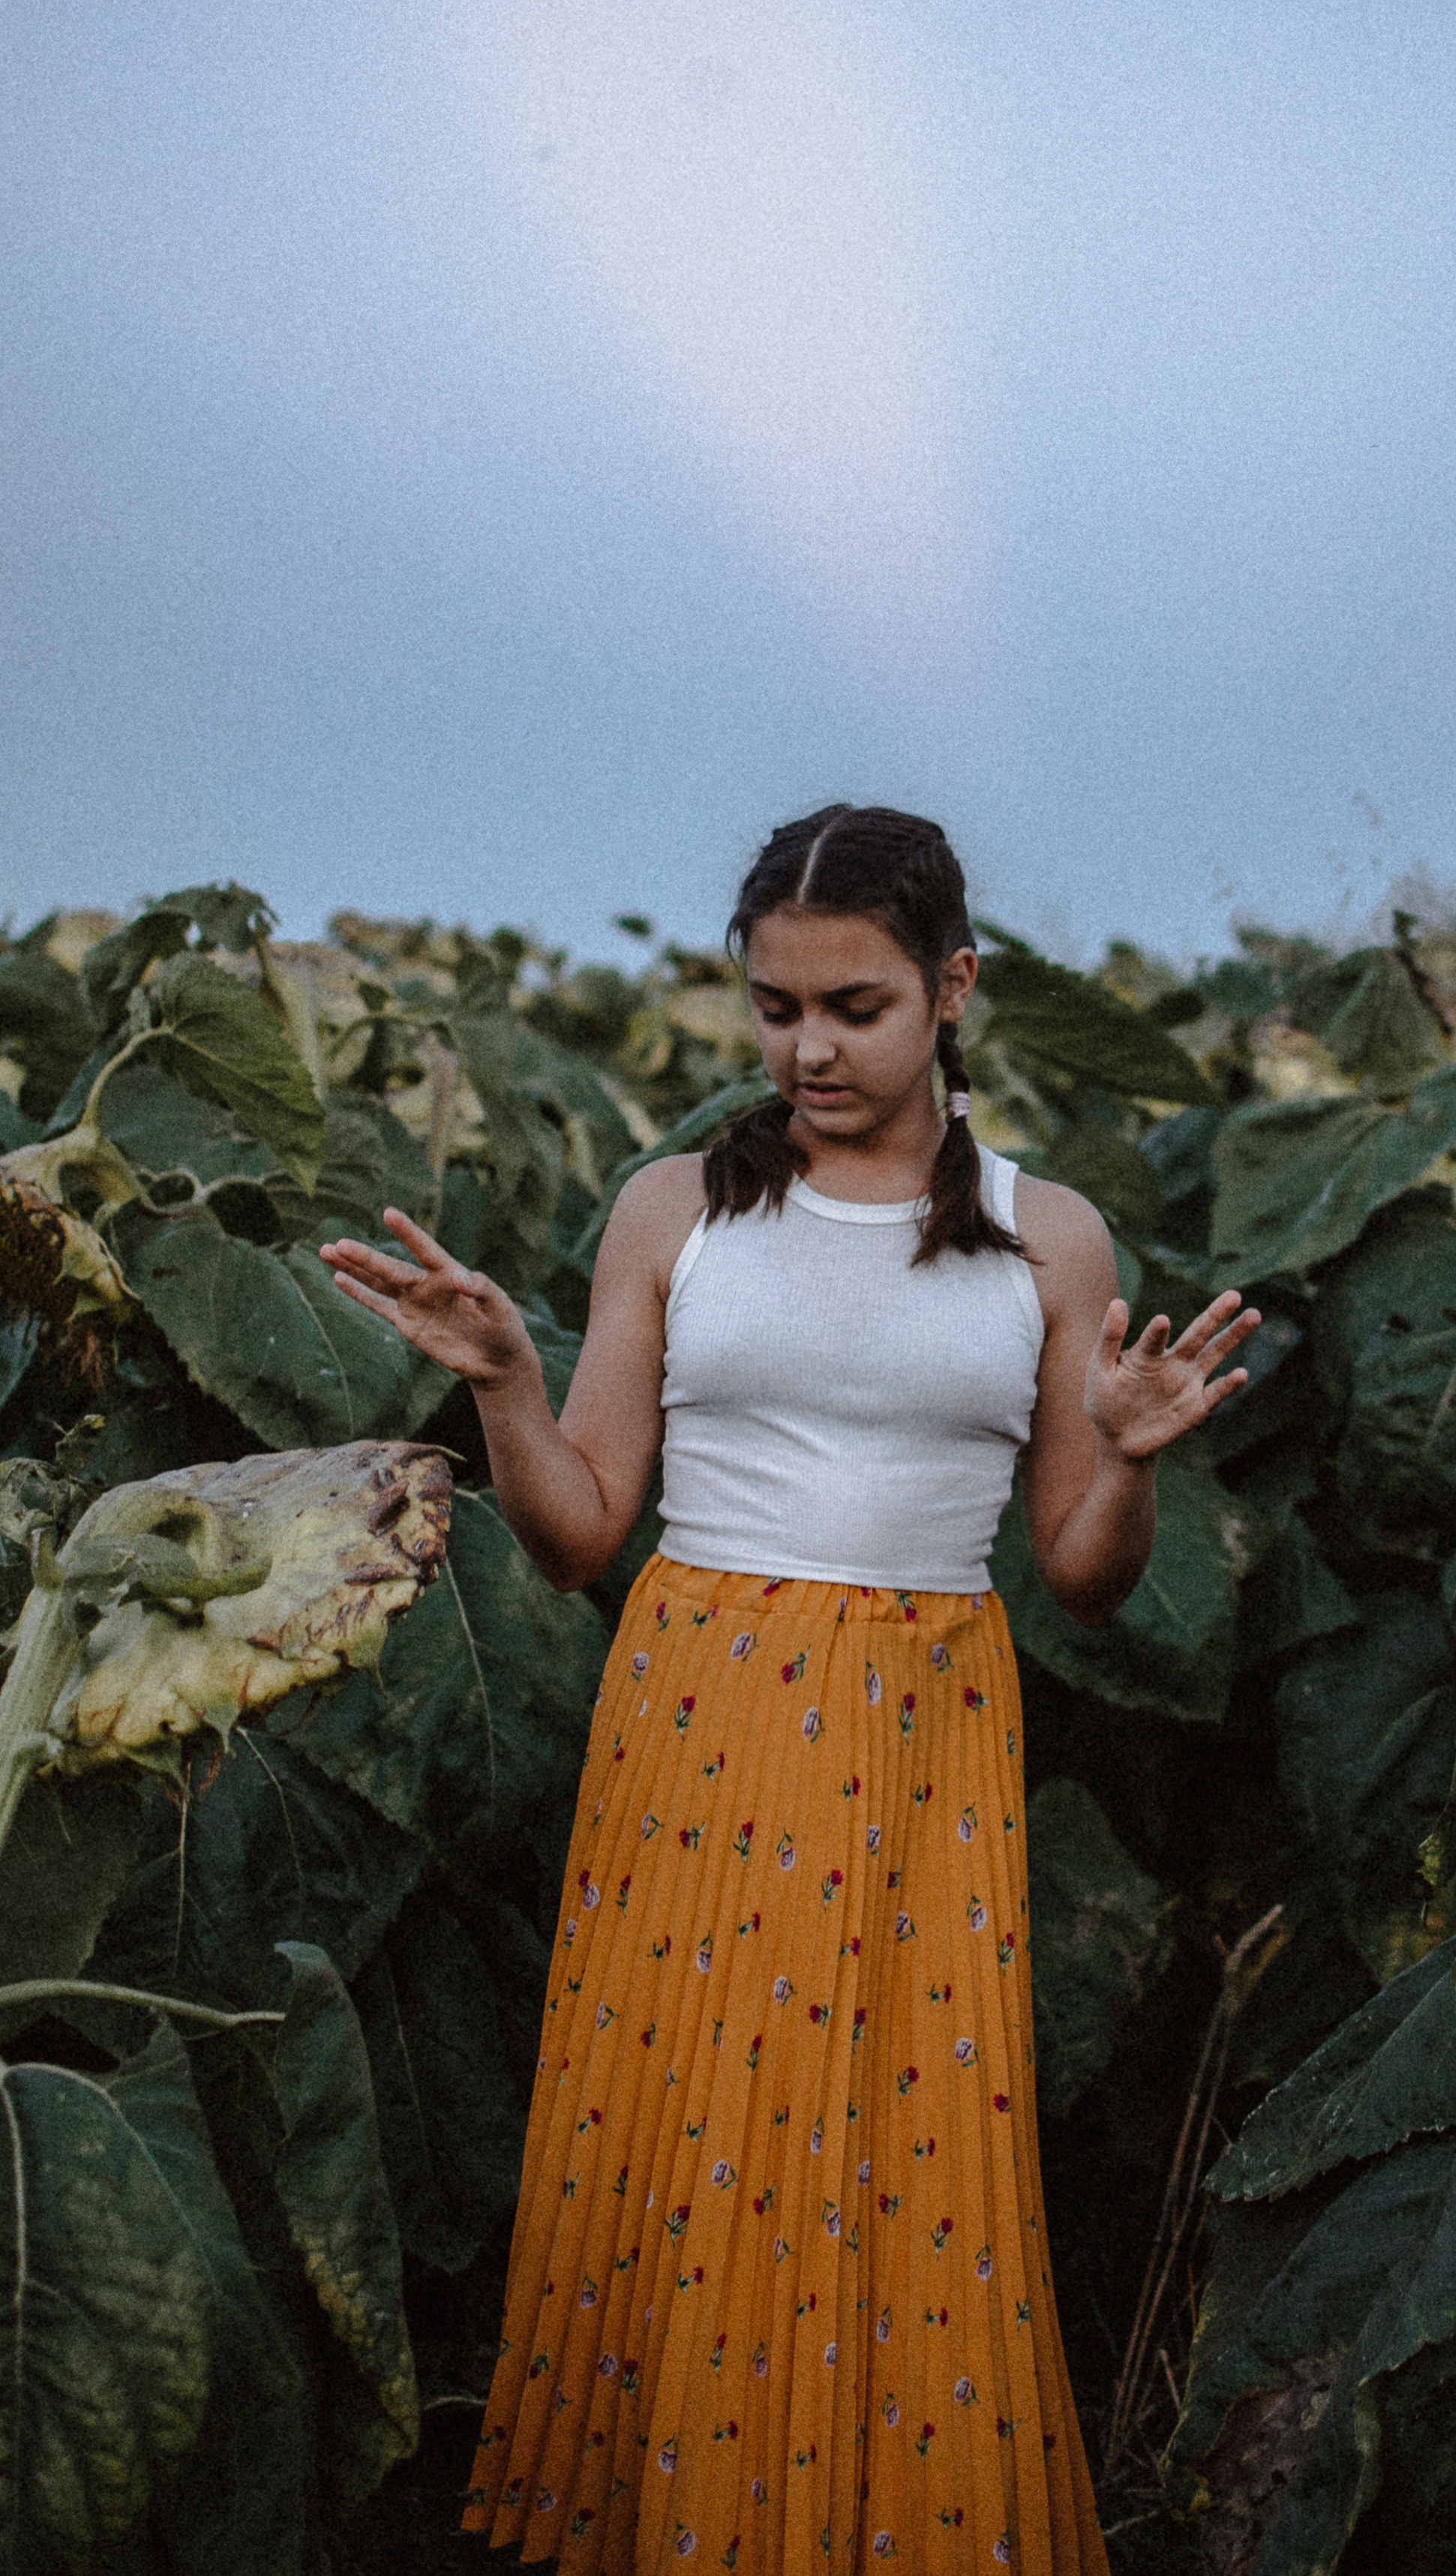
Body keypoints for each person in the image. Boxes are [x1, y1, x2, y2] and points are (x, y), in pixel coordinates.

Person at [321, 806, 1256, 2574]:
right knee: (691, 2124)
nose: (809, 1049)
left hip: (926, 1714)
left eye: (857, 1006)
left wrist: (1130, 1461)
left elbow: (1079, 1564)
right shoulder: (671, 1208)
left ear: (953, 991)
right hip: (700, 1696)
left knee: (898, 2140)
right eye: (774, 1008)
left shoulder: (1047, 1239)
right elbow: (586, 1530)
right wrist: (513, 1390)